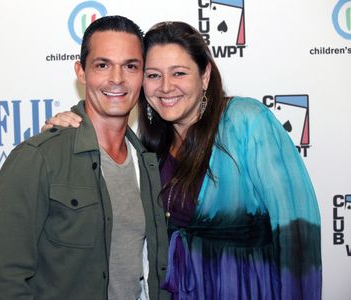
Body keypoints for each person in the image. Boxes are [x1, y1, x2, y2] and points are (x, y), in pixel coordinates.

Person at [44, 21, 322, 299]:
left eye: (179, 73)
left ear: (204, 75)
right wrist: (63, 130)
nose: (166, 87)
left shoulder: (246, 121)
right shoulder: (148, 148)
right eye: (153, 75)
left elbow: (298, 233)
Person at [0, 16, 169, 300]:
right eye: (102, 65)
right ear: (81, 72)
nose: (117, 79)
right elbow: (4, 282)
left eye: (130, 66)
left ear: (143, 75)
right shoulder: (38, 159)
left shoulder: (147, 162)